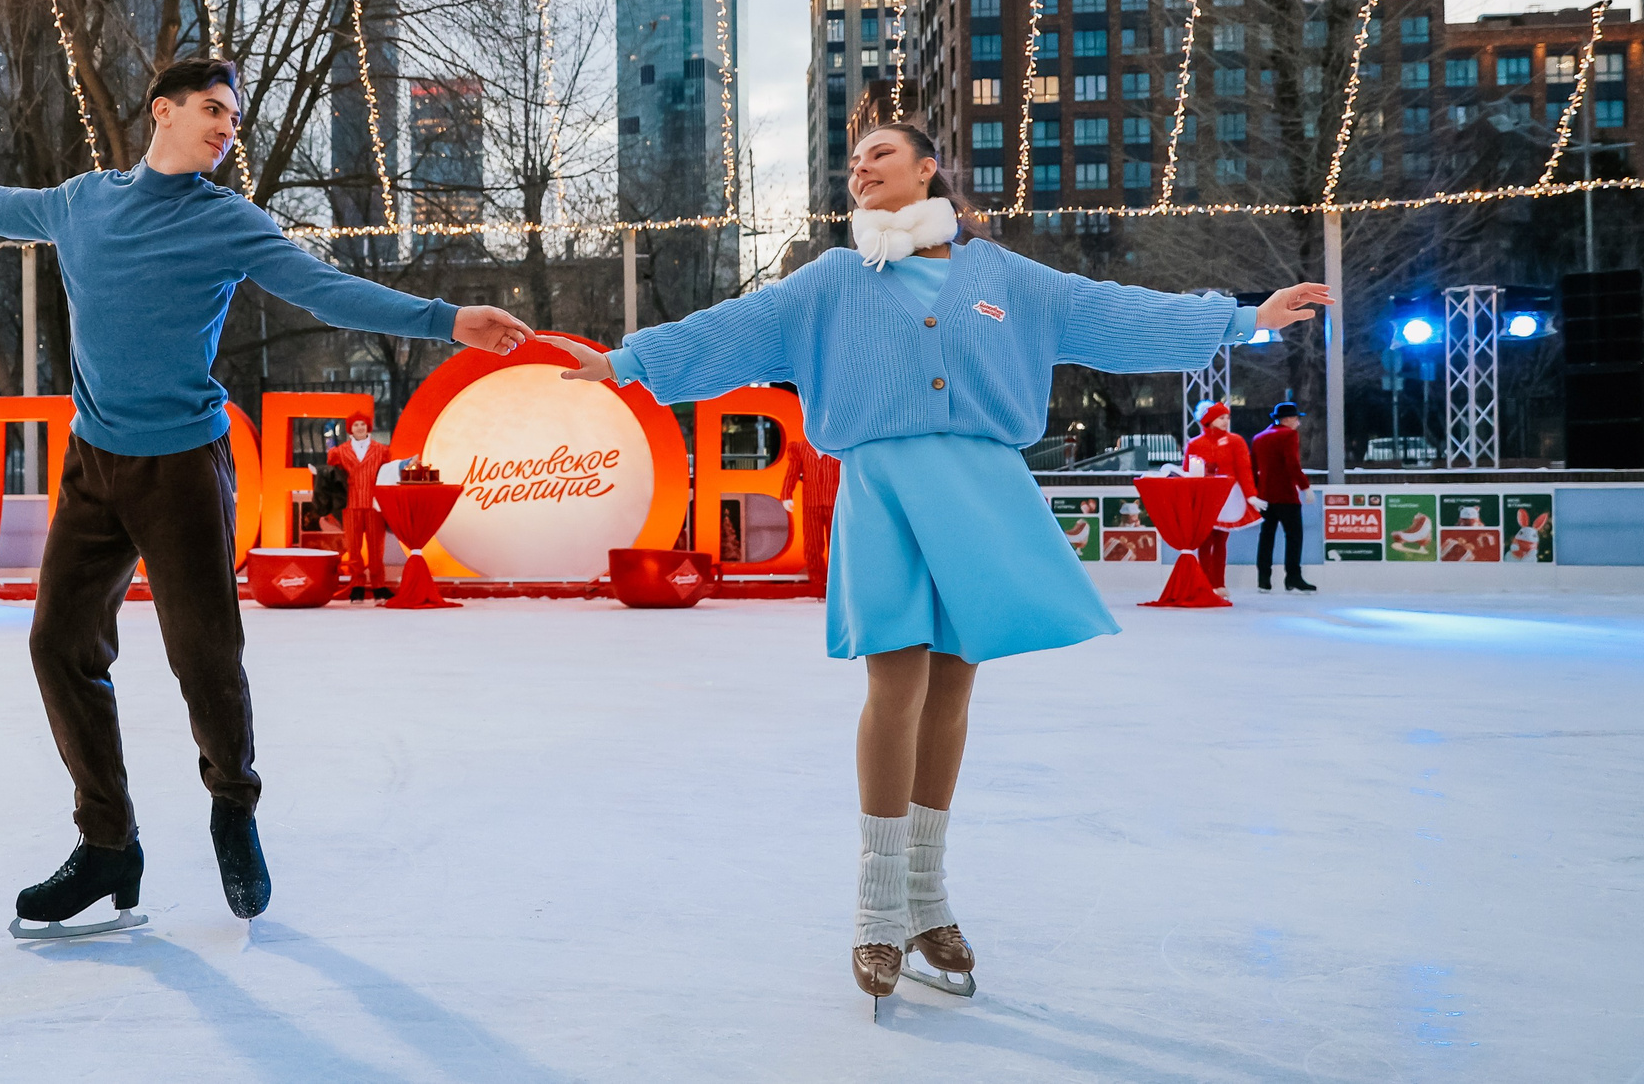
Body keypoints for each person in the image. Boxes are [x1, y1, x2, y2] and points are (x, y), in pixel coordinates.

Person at [535, 123, 1327, 1006]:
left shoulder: (1003, 276)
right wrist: (625, 362)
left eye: (879, 154)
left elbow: (1108, 310)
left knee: (953, 686)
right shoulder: (835, 280)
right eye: (852, 162)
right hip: (882, 492)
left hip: (983, 490)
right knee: (896, 680)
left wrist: (1240, 317)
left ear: (927, 169)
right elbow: (734, 327)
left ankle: (929, 901)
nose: (860, 169)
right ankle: (878, 910)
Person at [0, 57, 531, 937]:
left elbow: (324, 287)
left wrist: (446, 319)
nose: (225, 126)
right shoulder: (83, 203)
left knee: (204, 657)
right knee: (57, 645)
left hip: (185, 469)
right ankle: (109, 844)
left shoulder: (227, 220)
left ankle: (233, 805)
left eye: (233, 118)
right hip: (93, 465)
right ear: (161, 110)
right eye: (211, 109)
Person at [1183, 401, 1260, 601]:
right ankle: (1206, 582)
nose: (1225, 422)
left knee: (1220, 540)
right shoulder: (1195, 444)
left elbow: (1244, 468)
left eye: (1227, 418)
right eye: (1221, 418)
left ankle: (1218, 583)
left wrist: (1250, 494)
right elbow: (1187, 473)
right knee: (1205, 539)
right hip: (1205, 496)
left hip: (1228, 496)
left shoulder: (1236, 441)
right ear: (1209, 420)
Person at [1248, 401, 1315, 593]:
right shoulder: (1289, 435)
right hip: (1286, 495)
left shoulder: (1259, 438)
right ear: (1288, 419)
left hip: (1265, 496)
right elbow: (1292, 464)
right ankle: (1293, 576)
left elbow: (1253, 467)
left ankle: (1263, 579)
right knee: (1294, 537)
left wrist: (1255, 491)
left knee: (1266, 537)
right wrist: (1305, 486)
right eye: (1296, 419)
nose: (1298, 423)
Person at [328, 414, 392, 600]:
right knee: (354, 548)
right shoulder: (339, 452)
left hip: (373, 504)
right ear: (350, 428)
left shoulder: (382, 450)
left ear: (368, 426)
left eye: (362, 424)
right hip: (351, 503)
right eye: (355, 424)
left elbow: (387, 474)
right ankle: (357, 585)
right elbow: (331, 473)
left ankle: (379, 585)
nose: (359, 427)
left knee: (376, 548)